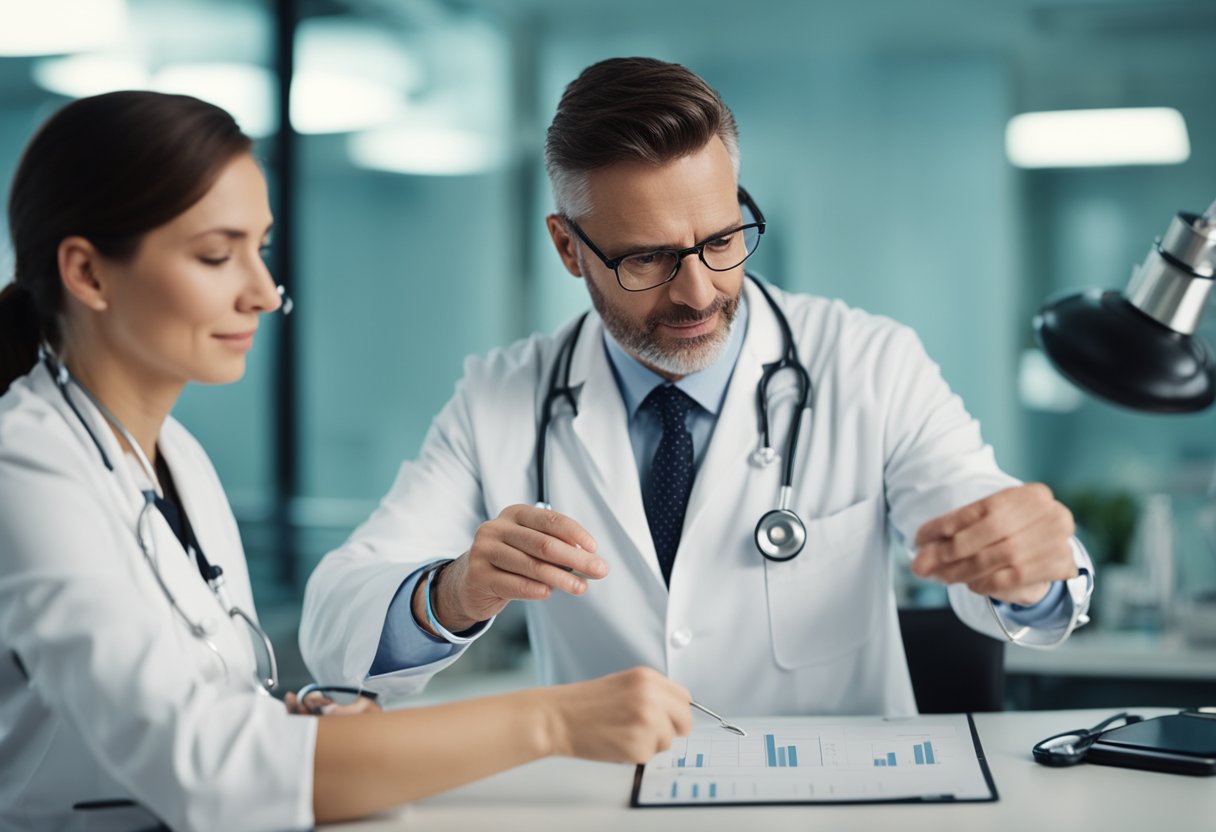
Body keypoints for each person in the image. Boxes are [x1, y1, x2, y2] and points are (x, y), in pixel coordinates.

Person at [300, 56, 1095, 718]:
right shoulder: (499, 399)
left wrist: (1026, 569)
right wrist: (453, 592)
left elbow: (993, 536)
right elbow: (337, 621)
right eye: (645, 258)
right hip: (609, 799)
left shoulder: (868, 361)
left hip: (834, 807)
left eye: (721, 239)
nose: (696, 292)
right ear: (569, 248)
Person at [0, 91, 692, 832]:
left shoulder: (175, 459)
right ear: (89, 273)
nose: (264, 294)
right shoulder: (24, 467)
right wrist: (553, 721)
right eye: (215, 255)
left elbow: (193, 712)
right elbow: (204, 767)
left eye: (260, 250)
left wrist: (291, 717)